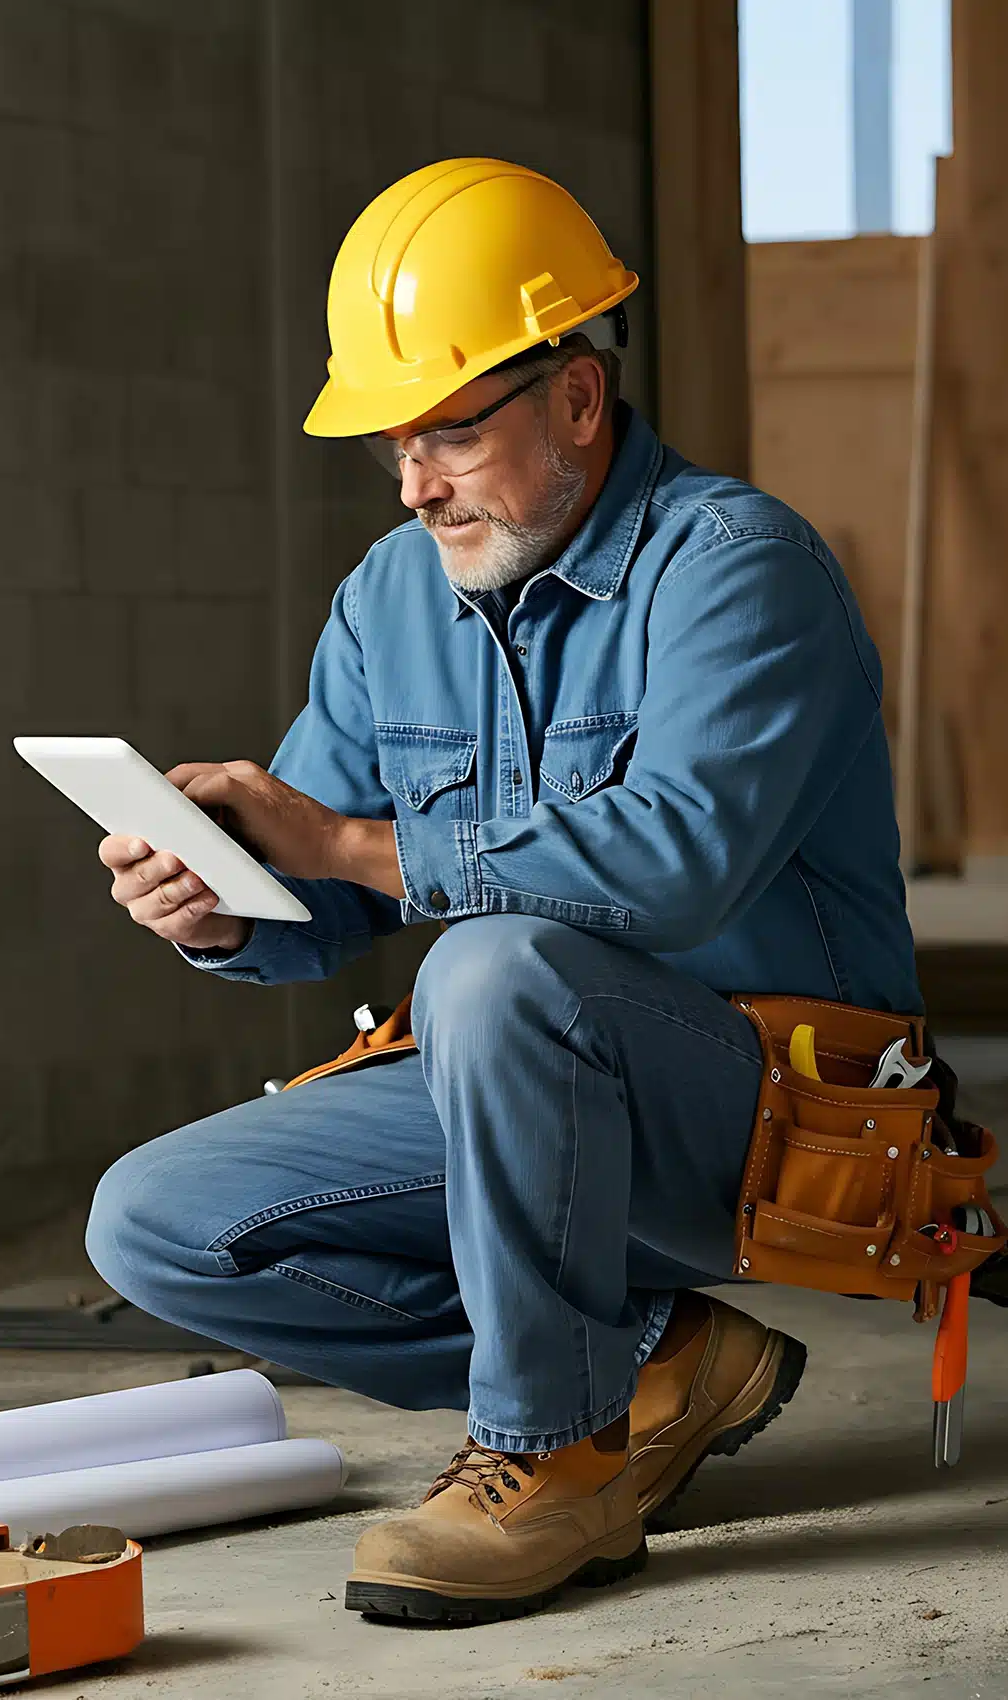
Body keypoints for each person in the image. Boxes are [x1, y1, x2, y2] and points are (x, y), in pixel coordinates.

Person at [85, 158, 922, 1625]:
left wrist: (346, 848)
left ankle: (553, 1456)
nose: (416, 485)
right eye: (394, 446)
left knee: (492, 966)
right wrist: (227, 908)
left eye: (451, 436)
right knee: (153, 1220)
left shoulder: (741, 568)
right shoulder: (390, 595)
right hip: (524, 1077)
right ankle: (659, 1364)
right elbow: (322, 887)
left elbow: (674, 861)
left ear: (579, 402)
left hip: (774, 1103)